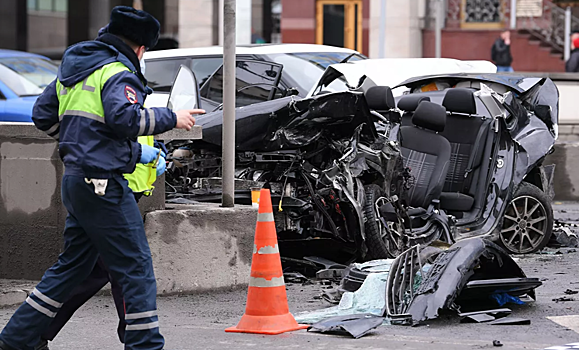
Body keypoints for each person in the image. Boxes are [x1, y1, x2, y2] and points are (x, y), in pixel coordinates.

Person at [0, 6, 204, 350]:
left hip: (77, 180)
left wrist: (83, 147)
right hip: (103, 185)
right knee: (135, 267)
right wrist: (172, 117)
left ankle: (16, 338)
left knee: (72, 268)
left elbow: (43, 115)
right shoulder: (117, 72)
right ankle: (144, 345)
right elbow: (125, 119)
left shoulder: (78, 68)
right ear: (140, 47)